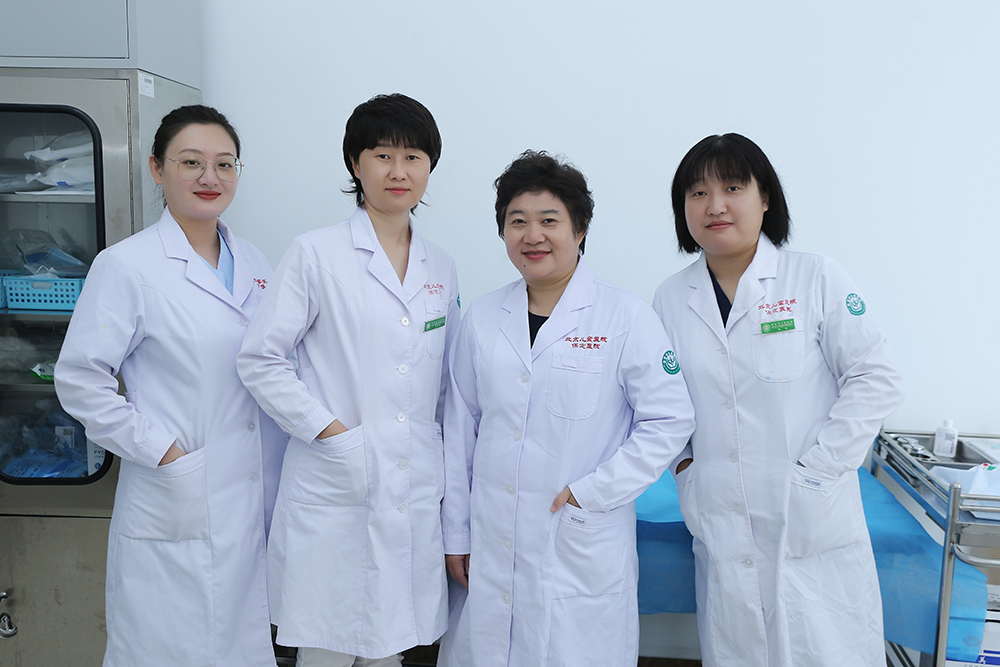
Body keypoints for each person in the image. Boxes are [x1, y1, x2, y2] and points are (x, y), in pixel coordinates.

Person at [652, 133, 904, 666]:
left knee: (823, 649)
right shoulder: (671, 298)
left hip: (811, 516)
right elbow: (664, 402)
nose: (715, 205)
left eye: (732, 188)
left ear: (765, 198)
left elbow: (875, 376)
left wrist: (819, 470)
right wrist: (686, 468)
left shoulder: (815, 277)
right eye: (697, 193)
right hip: (720, 518)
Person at [437, 151, 696, 666]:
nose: (532, 235)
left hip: (578, 537)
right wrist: (456, 533)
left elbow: (669, 420)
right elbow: (460, 429)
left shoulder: (625, 317)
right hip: (491, 540)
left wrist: (592, 494)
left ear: (579, 229)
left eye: (549, 220)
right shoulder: (483, 318)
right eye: (517, 221)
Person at [54, 105, 287, 667]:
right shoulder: (127, 265)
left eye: (224, 164)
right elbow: (80, 380)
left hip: (252, 493)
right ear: (157, 169)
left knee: (241, 644)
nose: (210, 177)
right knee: (171, 648)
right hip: (178, 490)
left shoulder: (255, 262)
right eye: (191, 162)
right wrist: (163, 452)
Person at [236, 93, 458, 667]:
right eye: (383, 155)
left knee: (392, 647)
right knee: (327, 649)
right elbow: (260, 358)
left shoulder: (440, 266)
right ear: (356, 165)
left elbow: (443, 381)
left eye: (413, 157)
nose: (398, 171)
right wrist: (331, 433)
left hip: (410, 485)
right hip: (336, 482)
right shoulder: (316, 254)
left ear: (430, 166)